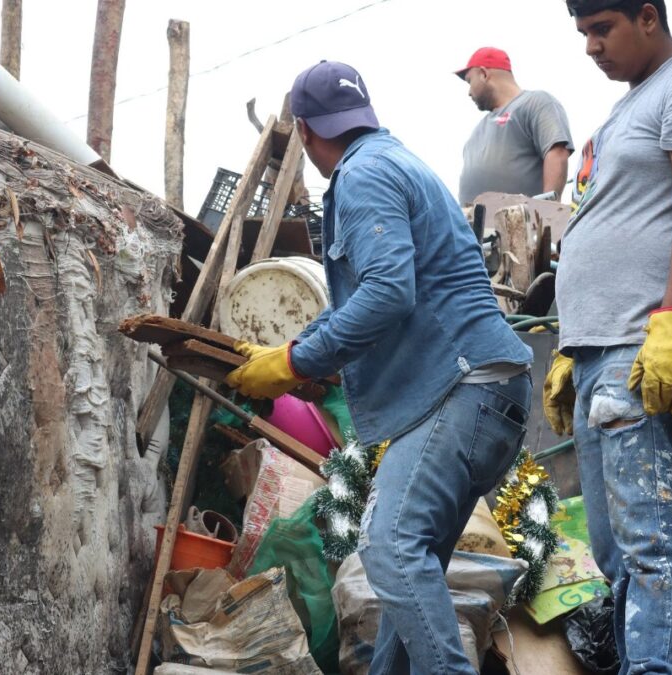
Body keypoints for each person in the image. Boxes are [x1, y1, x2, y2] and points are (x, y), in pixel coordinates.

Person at [225, 60, 534, 674]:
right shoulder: (395, 161)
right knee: (409, 578)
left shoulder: (362, 173)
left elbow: (388, 293)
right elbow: (375, 302)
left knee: (389, 549)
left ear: (305, 131)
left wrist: (292, 361)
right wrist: (306, 357)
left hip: (465, 387)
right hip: (488, 390)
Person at [545, 1, 672, 673]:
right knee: (616, 553)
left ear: (648, 17)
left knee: (651, 546)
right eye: (583, 33)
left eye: (603, 28)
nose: (591, 47)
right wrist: (573, 345)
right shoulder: (627, 108)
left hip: (645, 347)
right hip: (603, 352)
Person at [455, 47, 574, 205]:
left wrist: (548, 210)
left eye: (470, 81)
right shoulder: (477, 131)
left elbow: (556, 152)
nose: (469, 92)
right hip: (471, 220)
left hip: (521, 219)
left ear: (483, 74)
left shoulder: (535, 102)